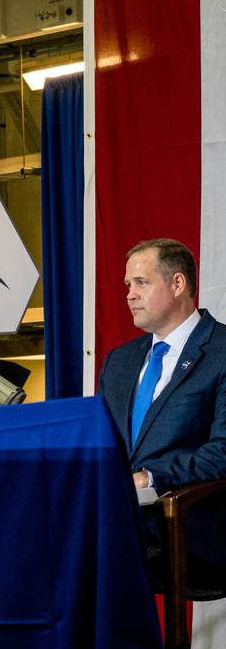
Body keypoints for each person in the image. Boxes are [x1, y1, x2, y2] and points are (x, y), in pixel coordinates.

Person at [98, 239, 226, 575]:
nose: (129, 294)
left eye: (141, 283)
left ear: (178, 283)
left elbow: (223, 452)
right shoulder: (119, 361)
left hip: (188, 521)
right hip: (120, 516)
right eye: (128, 285)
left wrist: (152, 476)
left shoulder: (222, 351)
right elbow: (103, 444)